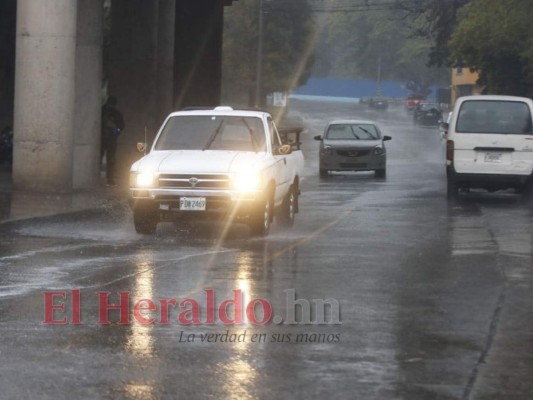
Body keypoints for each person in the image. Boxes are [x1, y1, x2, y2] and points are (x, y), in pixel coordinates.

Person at [101, 96, 125, 186]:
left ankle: (110, 179)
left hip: (110, 138)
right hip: (103, 138)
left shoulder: (116, 114)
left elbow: (121, 126)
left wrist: (115, 131)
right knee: (105, 158)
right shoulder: (102, 111)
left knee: (111, 159)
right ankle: (106, 179)